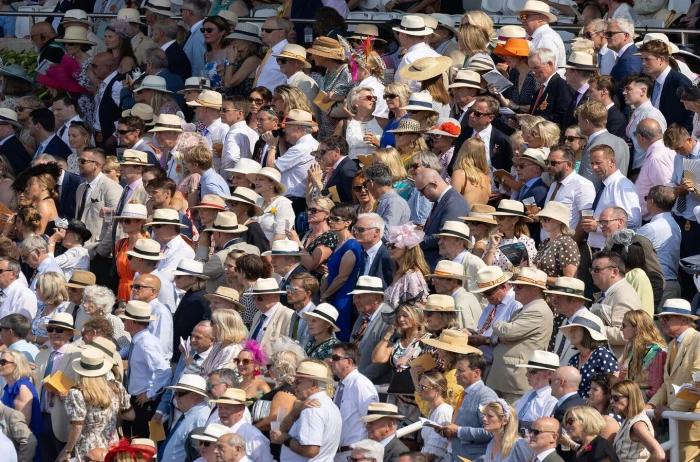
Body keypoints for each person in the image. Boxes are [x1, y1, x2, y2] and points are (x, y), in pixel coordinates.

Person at [487, 268, 553, 402]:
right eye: (515, 285)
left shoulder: (537, 310)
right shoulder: (526, 309)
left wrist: (496, 323)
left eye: (519, 286)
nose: (514, 289)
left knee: (510, 419)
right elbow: (501, 335)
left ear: (535, 289)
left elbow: (508, 332)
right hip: (507, 377)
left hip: (514, 380)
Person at [646, 299, 700, 462]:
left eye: (667, 317)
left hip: (691, 423)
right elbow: (666, 384)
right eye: (661, 318)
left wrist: (670, 410)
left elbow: (697, 381)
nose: (662, 321)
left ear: (684, 320)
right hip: (677, 421)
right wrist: (651, 405)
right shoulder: (672, 345)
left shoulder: (698, 340)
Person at [59, 347, 131, 462]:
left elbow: (77, 426)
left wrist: (67, 451)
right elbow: (130, 415)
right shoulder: (117, 386)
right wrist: (109, 413)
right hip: (112, 445)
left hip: (88, 449)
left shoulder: (77, 393)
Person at [119, 300, 172, 437]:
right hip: (137, 399)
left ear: (132, 322)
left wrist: (150, 394)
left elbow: (164, 371)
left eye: (126, 319)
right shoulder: (140, 340)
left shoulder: (145, 344)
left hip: (142, 403)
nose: (124, 322)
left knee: (141, 441)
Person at [271, 360, 342, 460]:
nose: (294, 385)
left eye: (298, 381)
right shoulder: (330, 405)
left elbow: (310, 450)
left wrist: (285, 439)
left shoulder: (311, 409)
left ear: (314, 385)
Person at [440, 353, 498, 461]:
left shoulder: (485, 395)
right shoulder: (465, 393)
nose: (455, 374)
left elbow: (490, 431)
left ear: (476, 373)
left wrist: (458, 431)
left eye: (460, 371)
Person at [415, 168, 470, 269]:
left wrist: (414, 239)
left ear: (434, 184)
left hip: (441, 267)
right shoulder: (443, 200)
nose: (421, 195)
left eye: (422, 190)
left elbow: (446, 238)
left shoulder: (453, 203)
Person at [331, 342, 378, 459]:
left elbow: (372, 421)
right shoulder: (343, 384)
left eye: (336, 358)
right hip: (338, 453)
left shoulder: (361, 384)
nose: (331, 361)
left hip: (355, 453)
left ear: (349, 362)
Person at [637, 185, 682, 302]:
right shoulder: (676, 226)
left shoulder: (651, 228)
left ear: (652, 201)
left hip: (658, 286)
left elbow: (631, 252)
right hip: (672, 284)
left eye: (646, 198)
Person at [639, 39, 693, 131]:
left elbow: (689, 117)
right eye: (642, 59)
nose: (643, 63)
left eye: (647, 59)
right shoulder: (653, 81)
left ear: (661, 59)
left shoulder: (680, 82)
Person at [559, 315, 618, 398]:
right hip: (576, 406)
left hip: (597, 408)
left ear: (587, 333)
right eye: (571, 330)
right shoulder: (574, 360)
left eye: (575, 329)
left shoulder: (601, 354)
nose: (571, 333)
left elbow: (614, 383)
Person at [547, 277, 602, 366]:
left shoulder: (590, 322)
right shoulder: (566, 321)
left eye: (559, 297)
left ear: (574, 300)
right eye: (554, 296)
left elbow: (595, 358)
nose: (553, 301)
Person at [210, 387, 274, 462]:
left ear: (241, 410)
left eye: (227, 408)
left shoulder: (254, 437)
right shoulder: (214, 427)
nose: (222, 412)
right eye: (220, 407)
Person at [611, 380, 666, 462]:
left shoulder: (638, 425)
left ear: (631, 397)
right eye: (611, 397)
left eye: (616, 398)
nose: (611, 401)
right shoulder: (630, 419)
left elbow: (659, 454)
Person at [159, 374, 210, 462]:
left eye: (179, 393)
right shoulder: (191, 414)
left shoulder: (201, 417)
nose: (175, 397)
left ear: (195, 396)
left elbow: (198, 455)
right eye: (175, 393)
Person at [384, 223, 430, 309]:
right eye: (389, 245)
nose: (390, 249)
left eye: (394, 245)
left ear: (407, 248)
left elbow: (416, 309)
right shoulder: (398, 272)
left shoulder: (412, 276)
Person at [483, 200, 537, 270]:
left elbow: (530, 270)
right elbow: (484, 268)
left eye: (501, 218)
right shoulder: (494, 240)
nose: (498, 221)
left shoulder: (527, 242)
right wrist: (492, 247)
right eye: (496, 217)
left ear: (515, 220)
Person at [426, 261, 481, 330]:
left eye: (439, 279)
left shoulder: (458, 305)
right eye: (434, 278)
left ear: (453, 281)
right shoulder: (469, 296)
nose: (433, 283)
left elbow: (460, 336)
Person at [0, 350, 41, 442]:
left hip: (21, 445)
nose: (0, 365)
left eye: (3, 362)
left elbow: (21, 426)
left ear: (16, 365)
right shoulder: (10, 386)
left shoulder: (22, 388)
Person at [527, 48, 573, 127]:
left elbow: (563, 116)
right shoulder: (541, 88)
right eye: (531, 69)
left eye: (536, 68)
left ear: (550, 64)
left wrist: (538, 121)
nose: (533, 72)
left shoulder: (561, 86)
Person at [513, 350, 559, 429]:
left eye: (532, 371)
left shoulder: (552, 399)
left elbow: (542, 427)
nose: (527, 374)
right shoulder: (529, 393)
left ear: (549, 374)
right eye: (527, 370)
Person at [248, 278, 294, 356]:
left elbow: (289, 348)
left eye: (260, 298)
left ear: (275, 296)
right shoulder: (258, 315)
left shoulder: (288, 315)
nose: (255, 300)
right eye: (253, 297)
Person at [248, 167, 294, 243]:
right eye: (256, 179)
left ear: (272, 184)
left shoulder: (283, 204)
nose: (256, 182)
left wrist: (265, 251)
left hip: (274, 251)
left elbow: (280, 236)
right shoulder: (257, 201)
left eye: (261, 180)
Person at [518, 0, 565, 68]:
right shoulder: (542, 36)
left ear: (541, 18)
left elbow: (546, 70)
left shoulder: (546, 38)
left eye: (525, 16)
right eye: (521, 17)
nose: (522, 20)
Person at [451, 138, 491, 206]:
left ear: (463, 152)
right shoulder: (487, 179)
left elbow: (451, 202)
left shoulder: (460, 174)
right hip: (480, 215)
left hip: (463, 216)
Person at [0, 257, 37, 322]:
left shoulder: (25, 295)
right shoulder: (3, 291)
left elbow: (23, 327)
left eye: (0, 271)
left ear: (12, 274)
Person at [181, 0, 208, 77]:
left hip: (196, 84)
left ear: (189, 12)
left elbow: (199, 66)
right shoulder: (199, 30)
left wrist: (196, 86)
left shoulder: (200, 33)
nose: (181, 13)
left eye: (182, 10)